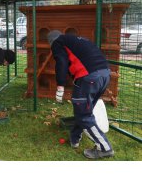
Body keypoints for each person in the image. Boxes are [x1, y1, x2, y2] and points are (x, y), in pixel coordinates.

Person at [47, 30, 114, 159]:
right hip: (105, 74)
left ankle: (105, 148)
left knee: (83, 114)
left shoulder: (58, 42)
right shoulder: (79, 39)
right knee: (83, 110)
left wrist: (60, 85)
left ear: (51, 41)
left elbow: (61, 62)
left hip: (89, 77)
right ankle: (75, 138)